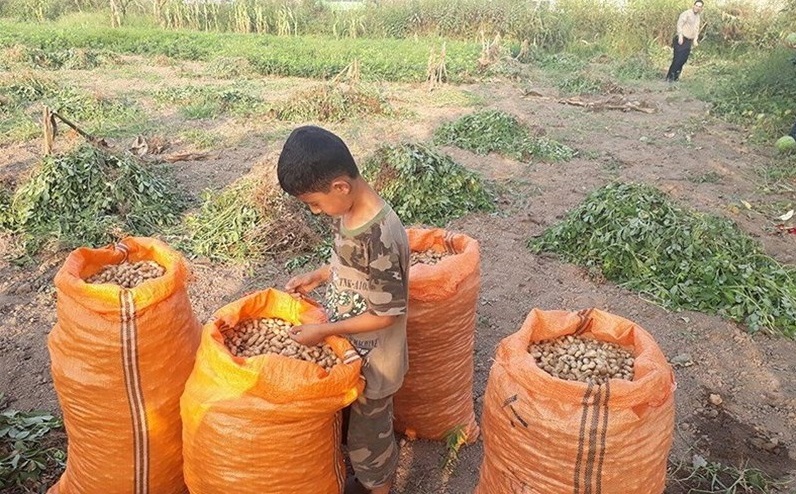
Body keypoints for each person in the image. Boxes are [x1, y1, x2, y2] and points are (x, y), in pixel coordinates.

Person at [277, 125, 409, 494]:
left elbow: (386, 314)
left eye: (314, 203)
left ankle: (376, 485)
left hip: (377, 361)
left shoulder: (379, 236)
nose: (316, 212)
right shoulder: (348, 214)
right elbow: (350, 267)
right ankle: (362, 475)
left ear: (340, 186)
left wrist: (323, 332)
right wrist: (319, 275)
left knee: (372, 441)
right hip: (354, 351)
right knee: (356, 429)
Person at [666, 0, 704, 82]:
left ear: (701, 8)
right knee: (678, 59)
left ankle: (676, 77)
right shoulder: (686, 13)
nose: (697, 7)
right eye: (696, 5)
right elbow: (679, 24)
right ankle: (670, 78)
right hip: (681, 39)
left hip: (688, 41)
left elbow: (696, 29)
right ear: (693, 5)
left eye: (699, 6)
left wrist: (695, 40)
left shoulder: (697, 16)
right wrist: (680, 36)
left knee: (683, 59)